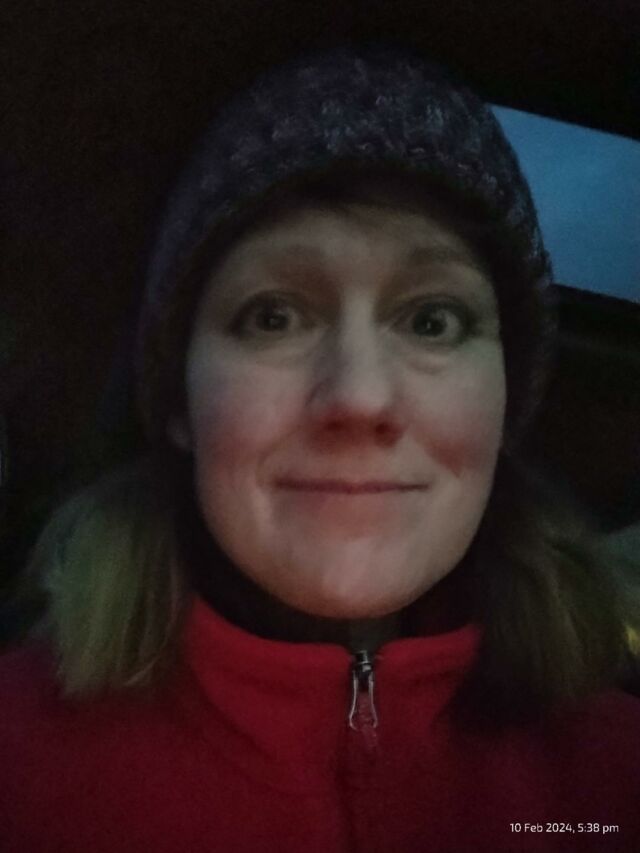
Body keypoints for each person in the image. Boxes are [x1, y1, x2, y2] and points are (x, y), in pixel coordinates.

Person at [1, 44, 639, 853]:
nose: (359, 397)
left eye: (433, 320)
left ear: (504, 400)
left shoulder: (615, 782)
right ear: (179, 402)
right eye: (273, 316)